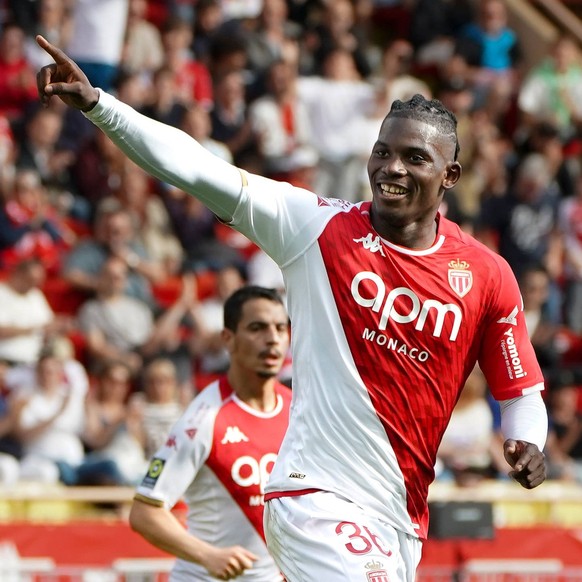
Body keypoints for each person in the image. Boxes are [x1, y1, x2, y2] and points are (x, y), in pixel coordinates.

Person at [36, 37, 548, 582]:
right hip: (315, 498)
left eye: (414, 157)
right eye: (382, 151)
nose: (391, 168)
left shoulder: (487, 275)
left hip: (399, 517)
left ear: (450, 176)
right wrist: (100, 105)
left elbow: (520, 394)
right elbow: (195, 168)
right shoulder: (315, 227)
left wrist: (528, 442)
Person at [128, 285, 291, 581]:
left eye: (281, 328)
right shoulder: (204, 417)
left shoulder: (299, 410)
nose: (272, 339)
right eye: (257, 328)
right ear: (228, 339)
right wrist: (208, 556)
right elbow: (144, 513)